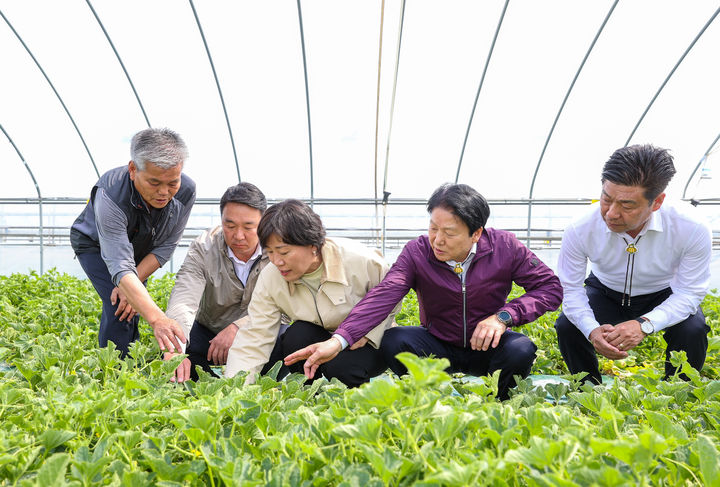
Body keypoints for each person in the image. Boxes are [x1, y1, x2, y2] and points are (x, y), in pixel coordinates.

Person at [286, 183, 563, 400]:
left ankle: (501, 403)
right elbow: (386, 294)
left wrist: (504, 316)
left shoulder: (505, 247)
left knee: (521, 348)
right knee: (395, 340)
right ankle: (427, 399)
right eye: (433, 228)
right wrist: (340, 340)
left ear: (476, 233)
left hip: (485, 346)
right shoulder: (418, 251)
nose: (438, 240)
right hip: (438, 344)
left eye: (449, 233)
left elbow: (549, 288)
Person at [554, 144, 712, 384]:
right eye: (606, 199)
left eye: (627, 205)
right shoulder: (580, 227)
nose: (611, 214)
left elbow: (690, 292)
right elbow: (570, 289)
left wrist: (645, 324)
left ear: (656, 202)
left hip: (662, 292)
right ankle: (588, 391)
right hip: (605, 290)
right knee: (568, 325)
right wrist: (592, 330)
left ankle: (678, 393)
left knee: (693, 329)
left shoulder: (691, 227)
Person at [224, 199, 397, 387]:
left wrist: (365, 332)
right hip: (320, 339)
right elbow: (255, 336)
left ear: (312, 245)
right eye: (270, 252)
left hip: (366, 344)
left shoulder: (361, 261)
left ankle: (355, 403)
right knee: (296, 336)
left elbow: (391, 298)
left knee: (339, 366)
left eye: (283, 252)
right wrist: (235, 389)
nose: (276, 261)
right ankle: (308, 394)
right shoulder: (271, 278)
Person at [70, 128, 196, 357]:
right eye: (154, 182)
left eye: (172, 183)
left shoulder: (186, 190)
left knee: (133, 302)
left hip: (141, 246)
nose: (164, 192)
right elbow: (119, 263)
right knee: (119, 304)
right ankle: (115, 374)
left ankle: (131, 366)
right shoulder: (111, 194)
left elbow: (166, 246)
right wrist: (158, 319)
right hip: (96, 245)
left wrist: (133, 288)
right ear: (132, 169)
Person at [163, 183, 269, 382]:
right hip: (211, 335)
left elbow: (284, 310)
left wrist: (238, 328)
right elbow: (184, 298)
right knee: (188, 345)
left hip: (259, 333)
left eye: (248, 227)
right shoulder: (204, 247)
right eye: (230, 226)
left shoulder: (277, 249)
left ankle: (259, 379)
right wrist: (176, 348)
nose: (238, 236)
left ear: (263, 223)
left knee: (287, 337)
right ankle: (205, 378)